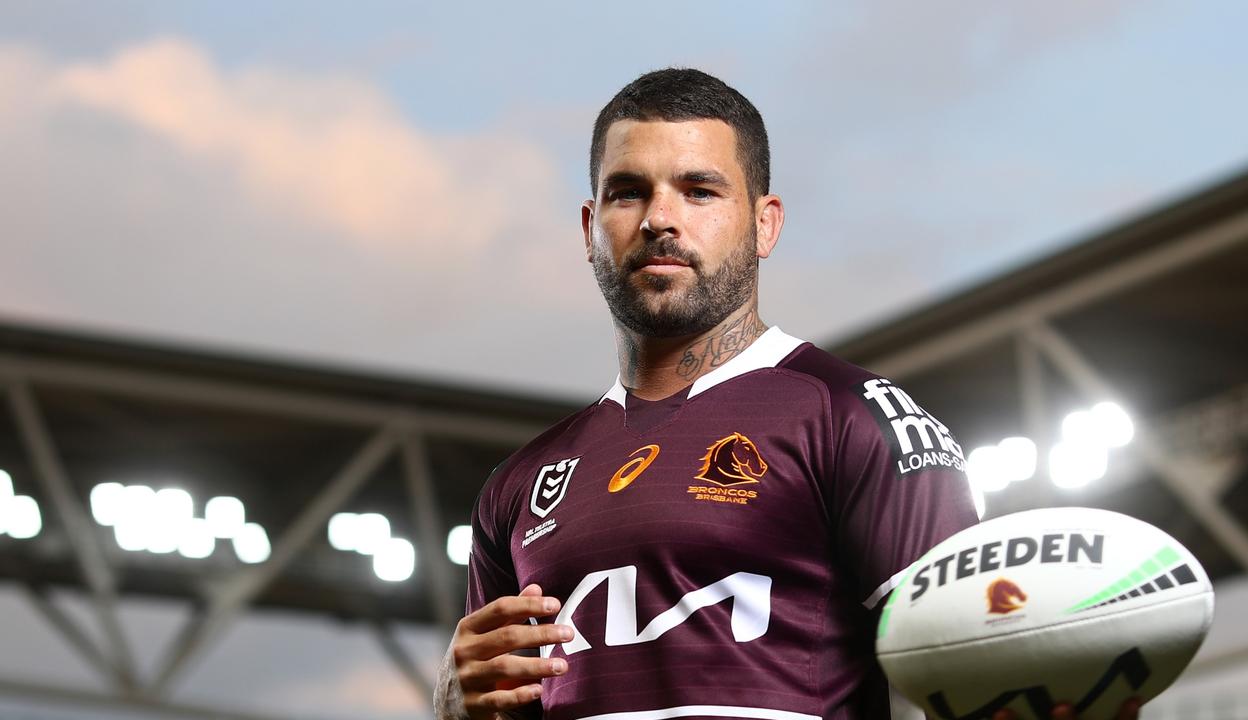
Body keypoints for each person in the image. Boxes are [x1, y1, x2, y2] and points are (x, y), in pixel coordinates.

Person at [434, 69, 1140, 720]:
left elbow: (985, 675)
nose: (659, 219)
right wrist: (454, 704)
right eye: (629, 191)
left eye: (699, 190)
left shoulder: (853, 418)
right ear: (591, 230)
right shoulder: (519, 486)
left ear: (765, 223)